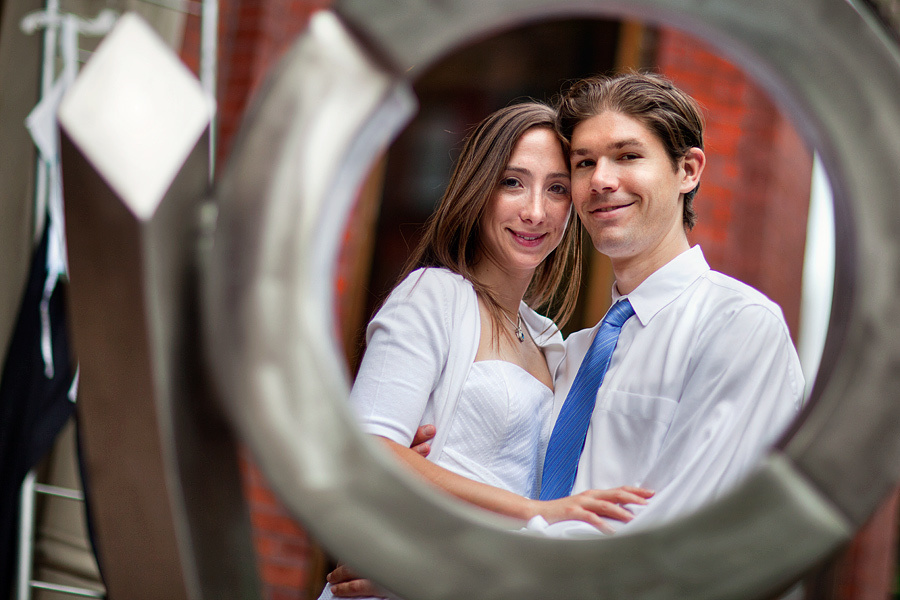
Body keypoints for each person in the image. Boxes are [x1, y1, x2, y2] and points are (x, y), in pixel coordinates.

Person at [320, 101, 653, 599]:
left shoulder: (552, 345)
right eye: (513, 182)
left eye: (557, 189)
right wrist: (535, 513)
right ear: (479, 190)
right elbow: (368, 449)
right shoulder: (435, 294)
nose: (535, 211)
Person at [532, 71, 804, 533]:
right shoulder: (573, 354)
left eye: (627, 156)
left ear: (688, 170)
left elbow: (673, 533)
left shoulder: (740, 327)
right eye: (583, 163)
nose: (600, 180)